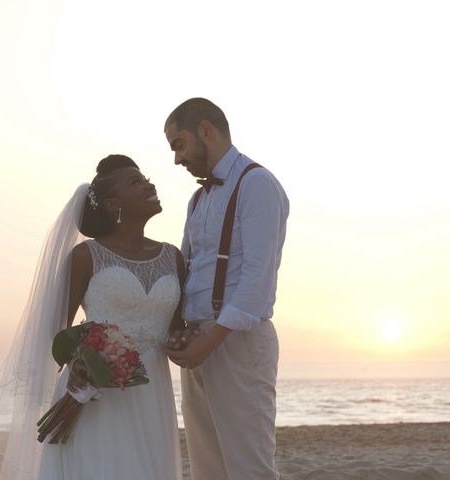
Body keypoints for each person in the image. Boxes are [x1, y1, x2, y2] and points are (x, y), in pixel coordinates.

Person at [0, 155, 184, 480]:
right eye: (136, 182)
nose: (149, 184)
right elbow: (54, 329)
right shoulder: (86, 256)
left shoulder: (172, 257)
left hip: (152, 394)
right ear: (114, 203)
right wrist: (82, 362)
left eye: (144, 178)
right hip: (97, 394)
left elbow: (176, 331)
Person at [164, 98, 290, 480]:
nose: (177, 159)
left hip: (238, 341)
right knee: (208, 468)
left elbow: (257, 277)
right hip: (199, 341)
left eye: (179, 145)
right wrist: (180, 330)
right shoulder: (197, 199)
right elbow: (189, 272)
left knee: (248, 468)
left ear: (206, 130)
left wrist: (212, 339)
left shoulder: (257, 184)